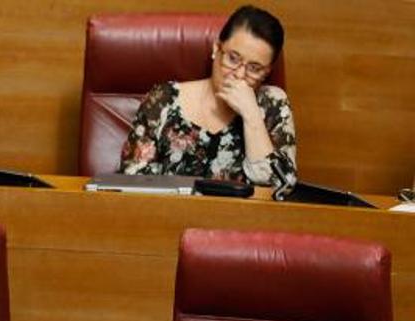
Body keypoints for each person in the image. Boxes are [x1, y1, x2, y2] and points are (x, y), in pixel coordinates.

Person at [118, 6, 295, 186]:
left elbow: (281, 189)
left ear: (267, 73)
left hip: (242, 215)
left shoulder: (273, 104)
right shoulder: (163, 99)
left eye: (255, 69)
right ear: (216, 49)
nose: (240, 75)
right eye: (233, 59)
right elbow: (130, 182)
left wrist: (251, 115)